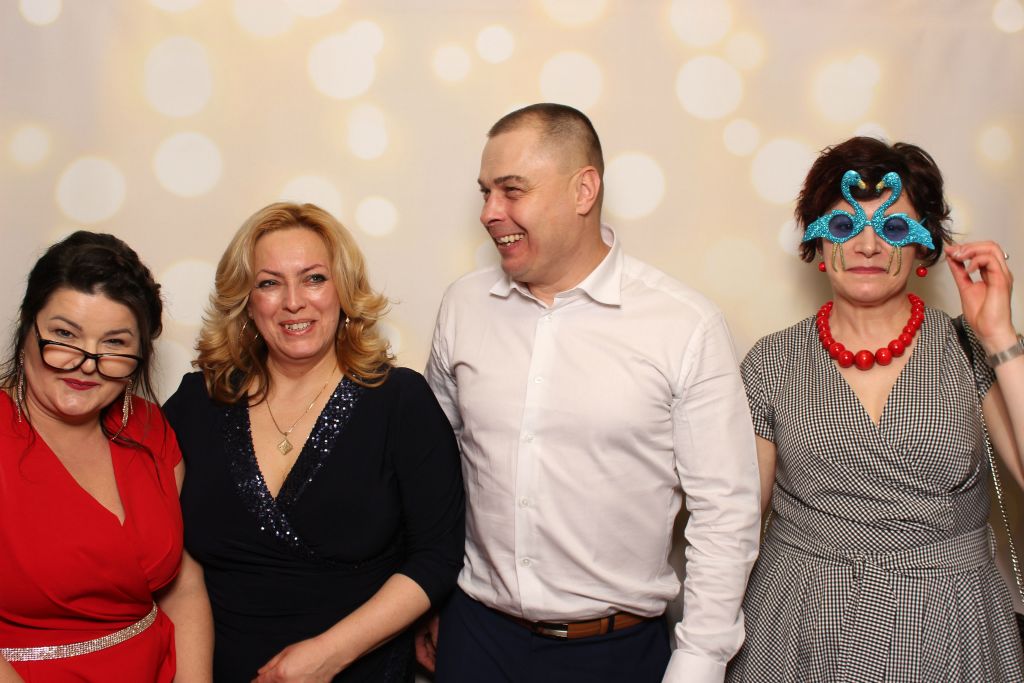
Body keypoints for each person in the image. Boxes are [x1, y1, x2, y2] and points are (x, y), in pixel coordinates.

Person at [418, 103, 762, 683]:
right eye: (485, 192)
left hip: (614, 654)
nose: (489, 212)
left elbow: (725, 511)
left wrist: (699, 662)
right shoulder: (463, 305)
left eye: (511, 190)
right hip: (475, 637)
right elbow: (437, 467)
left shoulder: (684, 325)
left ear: (584, 190)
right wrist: (427, 599)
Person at [727, 137, 1024, 681]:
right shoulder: (773, 361)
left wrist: (1000, 336)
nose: (868, 246)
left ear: (923, 245)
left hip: (949, 625)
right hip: (799, 625)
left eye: (893, 227)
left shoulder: (970, 350)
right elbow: (737, 524)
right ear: (817, 242)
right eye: (845, 226)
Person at [163, 202, 465, 682]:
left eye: (314, 279)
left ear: (343, 290)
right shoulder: (196, 404)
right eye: (269, 283)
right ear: (246, 300)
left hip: (358, 669)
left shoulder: (400, 401)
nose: (293, 302)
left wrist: (327, 656)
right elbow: (161, 548)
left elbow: (438, 555)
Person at [0, 231, 212, 682]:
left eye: (114, 343)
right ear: (27, 327)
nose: (87, 362)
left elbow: (182, 583)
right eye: (64, 334)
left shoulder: (150, 428)